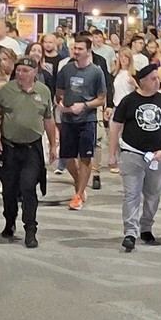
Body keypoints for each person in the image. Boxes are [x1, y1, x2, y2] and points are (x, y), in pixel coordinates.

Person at [109, 64, 161, 252]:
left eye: (158, 78)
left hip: (157, 157)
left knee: (153, 194)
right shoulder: (128, 101)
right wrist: (112, 153)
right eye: (153, 79)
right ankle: (130, 231)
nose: (157, 82)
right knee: (131, 194)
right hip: (132, 153)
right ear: (142, 81)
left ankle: (146, 226)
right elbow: (115, 127)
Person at [0, 56, 57, 248]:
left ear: (35, 72)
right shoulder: (5, 91)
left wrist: (53, 144)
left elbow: (48, 119)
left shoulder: (43, 91)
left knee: (28, 187)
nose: (21, 74)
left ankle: (30, 229)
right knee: (9, 189)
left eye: (25, 71)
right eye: (18, 70)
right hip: (10, 147)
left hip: (32, 148)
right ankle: (9, 220)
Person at [55, 36, 108, 210]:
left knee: (85, 157)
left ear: (88, 51)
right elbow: (59, 92)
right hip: (68, 119)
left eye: (80, 49)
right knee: (67, 157)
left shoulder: (96, 72)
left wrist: (84, 105)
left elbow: (101, 98)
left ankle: (78, 195)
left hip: (87, 120)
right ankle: (79, 183)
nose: (76, 51)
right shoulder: (66, 69)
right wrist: (61, 104)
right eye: (75, 48)